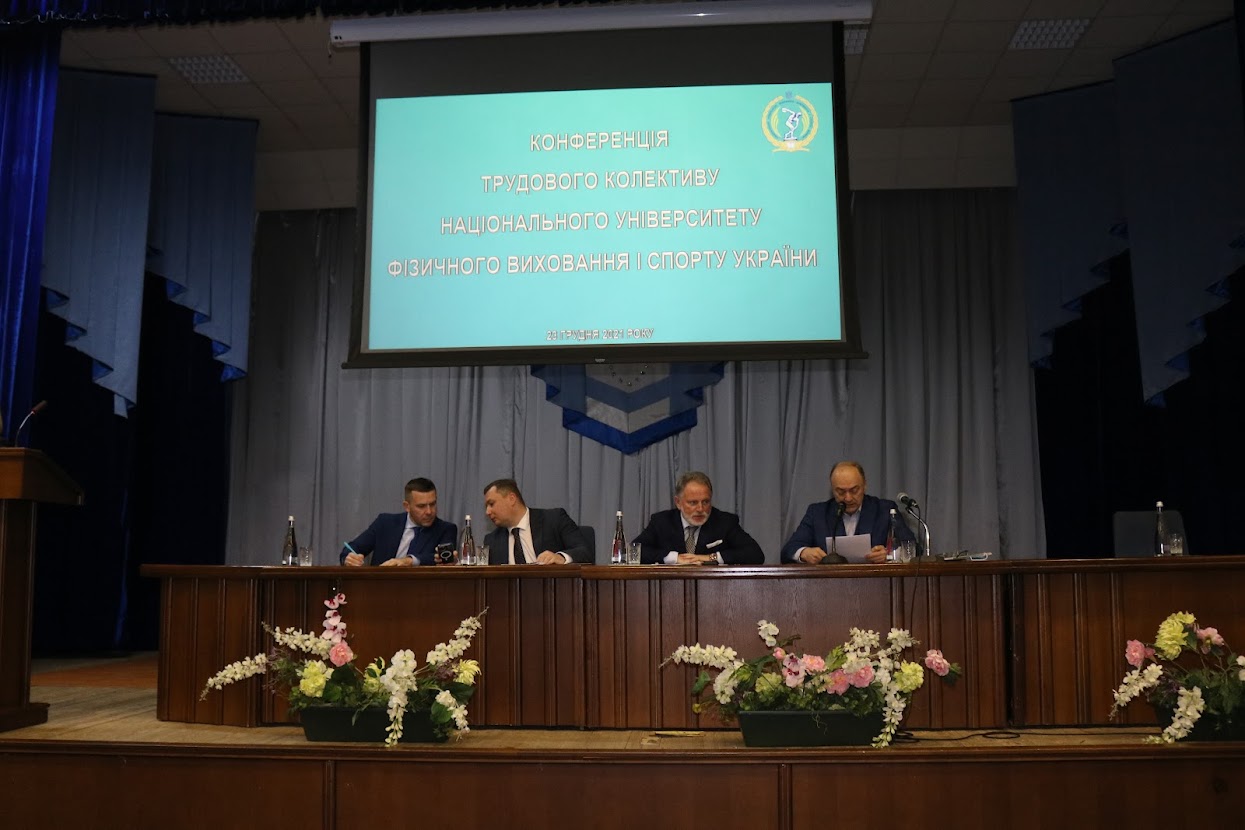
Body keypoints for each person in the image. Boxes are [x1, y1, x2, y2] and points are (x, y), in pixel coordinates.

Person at [780, 461, 913, 565]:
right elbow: (789, 550)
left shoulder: (885, 510)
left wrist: (889, 555)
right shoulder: (817, 513)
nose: (848, 498)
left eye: (854, 490)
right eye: (841, 492)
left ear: (864, 486)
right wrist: (804, 553)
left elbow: (912, 547)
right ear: (832, 490)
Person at [634, 471, 764, 565]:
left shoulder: (724, 522)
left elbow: (755, 554)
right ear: (678, 502)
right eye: (693, 503)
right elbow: (634, 552)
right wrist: (674, 558)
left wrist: (711, 558)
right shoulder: (662, 522)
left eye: (705, 502)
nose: (700, 509)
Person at [340, 477, 458, 566]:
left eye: (432, 504)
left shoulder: (446, 529)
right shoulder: (385, 523)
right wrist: (349, 558)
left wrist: (409, 561)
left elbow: (442, 559)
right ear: (407, 506)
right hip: (380, 587)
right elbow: (352, 547)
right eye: (421, 506)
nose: (429, 511)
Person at [481, 479, 591, 564]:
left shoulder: (554, 519)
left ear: (511, 499)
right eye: (486, 507)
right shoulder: (492, 540)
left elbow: (584, 551)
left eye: (491, 504)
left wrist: (560, 557)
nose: (487, 512)